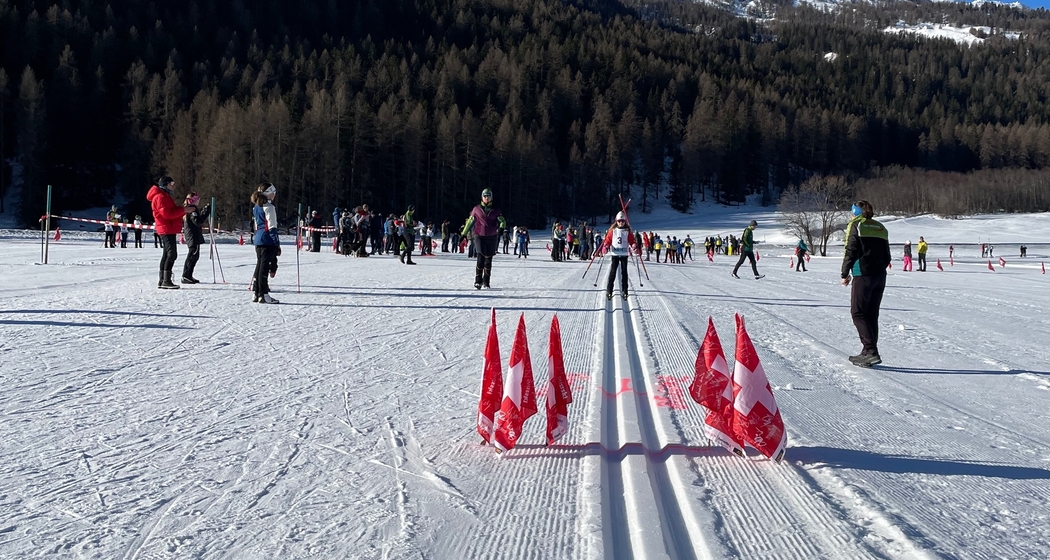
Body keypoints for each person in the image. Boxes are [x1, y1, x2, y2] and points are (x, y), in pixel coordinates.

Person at [841, 200, 891, 367]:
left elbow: (850, 249)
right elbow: (887, 255)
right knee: (871, 314)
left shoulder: (856, 225)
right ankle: (868, 353)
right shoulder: (880, 227)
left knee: (858, 313)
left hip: (862, 273)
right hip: (880, 275)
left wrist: (844, 273)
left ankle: (870, 351)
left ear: (855, 213)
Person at [147, 176, 194, 289]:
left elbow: (170, 211)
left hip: (168, 228)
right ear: (166, 184)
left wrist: (182, 209)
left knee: (167, 254)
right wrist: (184, 210)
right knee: (172, 254)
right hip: (166, 228)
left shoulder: (164, 196)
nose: (174, 185)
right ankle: (166, 280)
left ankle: (163, 279)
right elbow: (167, 214)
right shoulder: (160, 197)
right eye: (172, 183)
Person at [461, 188, 506, 288]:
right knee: (480, 257)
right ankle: (478, 280)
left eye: (488, 196)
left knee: (488, 259)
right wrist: (464, 233)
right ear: (482, 197)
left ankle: (486, 281)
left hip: (491, 236)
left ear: (491, 197)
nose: (486, 198)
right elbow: (470, 222)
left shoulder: (495, 209)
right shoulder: (476, 209)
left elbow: (502, 220)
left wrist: (502, 228)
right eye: (485, 196)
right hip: (479, 235)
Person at [252, 182, 281, 303]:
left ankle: (256, 292)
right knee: (264, 267)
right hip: (267, 240)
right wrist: (276, 244)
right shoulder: (269, 207)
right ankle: (263, 294)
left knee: (260, 266)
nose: (274, 195)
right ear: (269, 194)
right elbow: (272, 227)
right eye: (273, 193)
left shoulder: (256, 207)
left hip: (259, 239)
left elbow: (256, 225)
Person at [601, 211, 636, 301]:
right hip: (615, 254)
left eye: (623, 221)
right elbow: (608, 240)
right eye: (619, 221)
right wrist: (606, 246)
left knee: (624, 272)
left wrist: (634, 245)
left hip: (624, 254)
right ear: (616, 221)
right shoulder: (613, 231)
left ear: (625, 221)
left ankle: (625, 291)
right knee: (613, 272)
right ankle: (609, 291)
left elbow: (632, 240)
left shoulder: (627, 231)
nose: (621, 223)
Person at [181, 192, 210, 283]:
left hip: (192, 235)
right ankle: (186, 275)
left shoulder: (191, 209)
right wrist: (205, 213)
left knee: (195, 255)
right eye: (197, 200)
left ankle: (188, 275)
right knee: (193, 255)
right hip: (193, 235)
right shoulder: (192, 210)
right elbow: (197, 222)